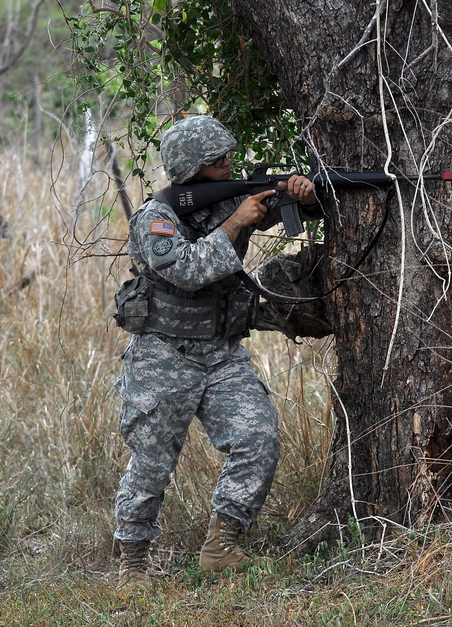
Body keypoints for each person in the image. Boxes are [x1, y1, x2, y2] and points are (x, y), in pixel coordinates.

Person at [112, 115, 320, 586]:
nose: (229, 164)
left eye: (227, 156)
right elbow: (185, 269)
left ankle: (222, 545)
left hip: (220, 353)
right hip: (163, 357)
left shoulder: (229, 198)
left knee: (258, 437)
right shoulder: (155, 218)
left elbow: (293, 209)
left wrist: (304, 197)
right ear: (191, 168)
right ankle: (133, 563)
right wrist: (235, 224)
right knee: (151, 464)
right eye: (218, 160)